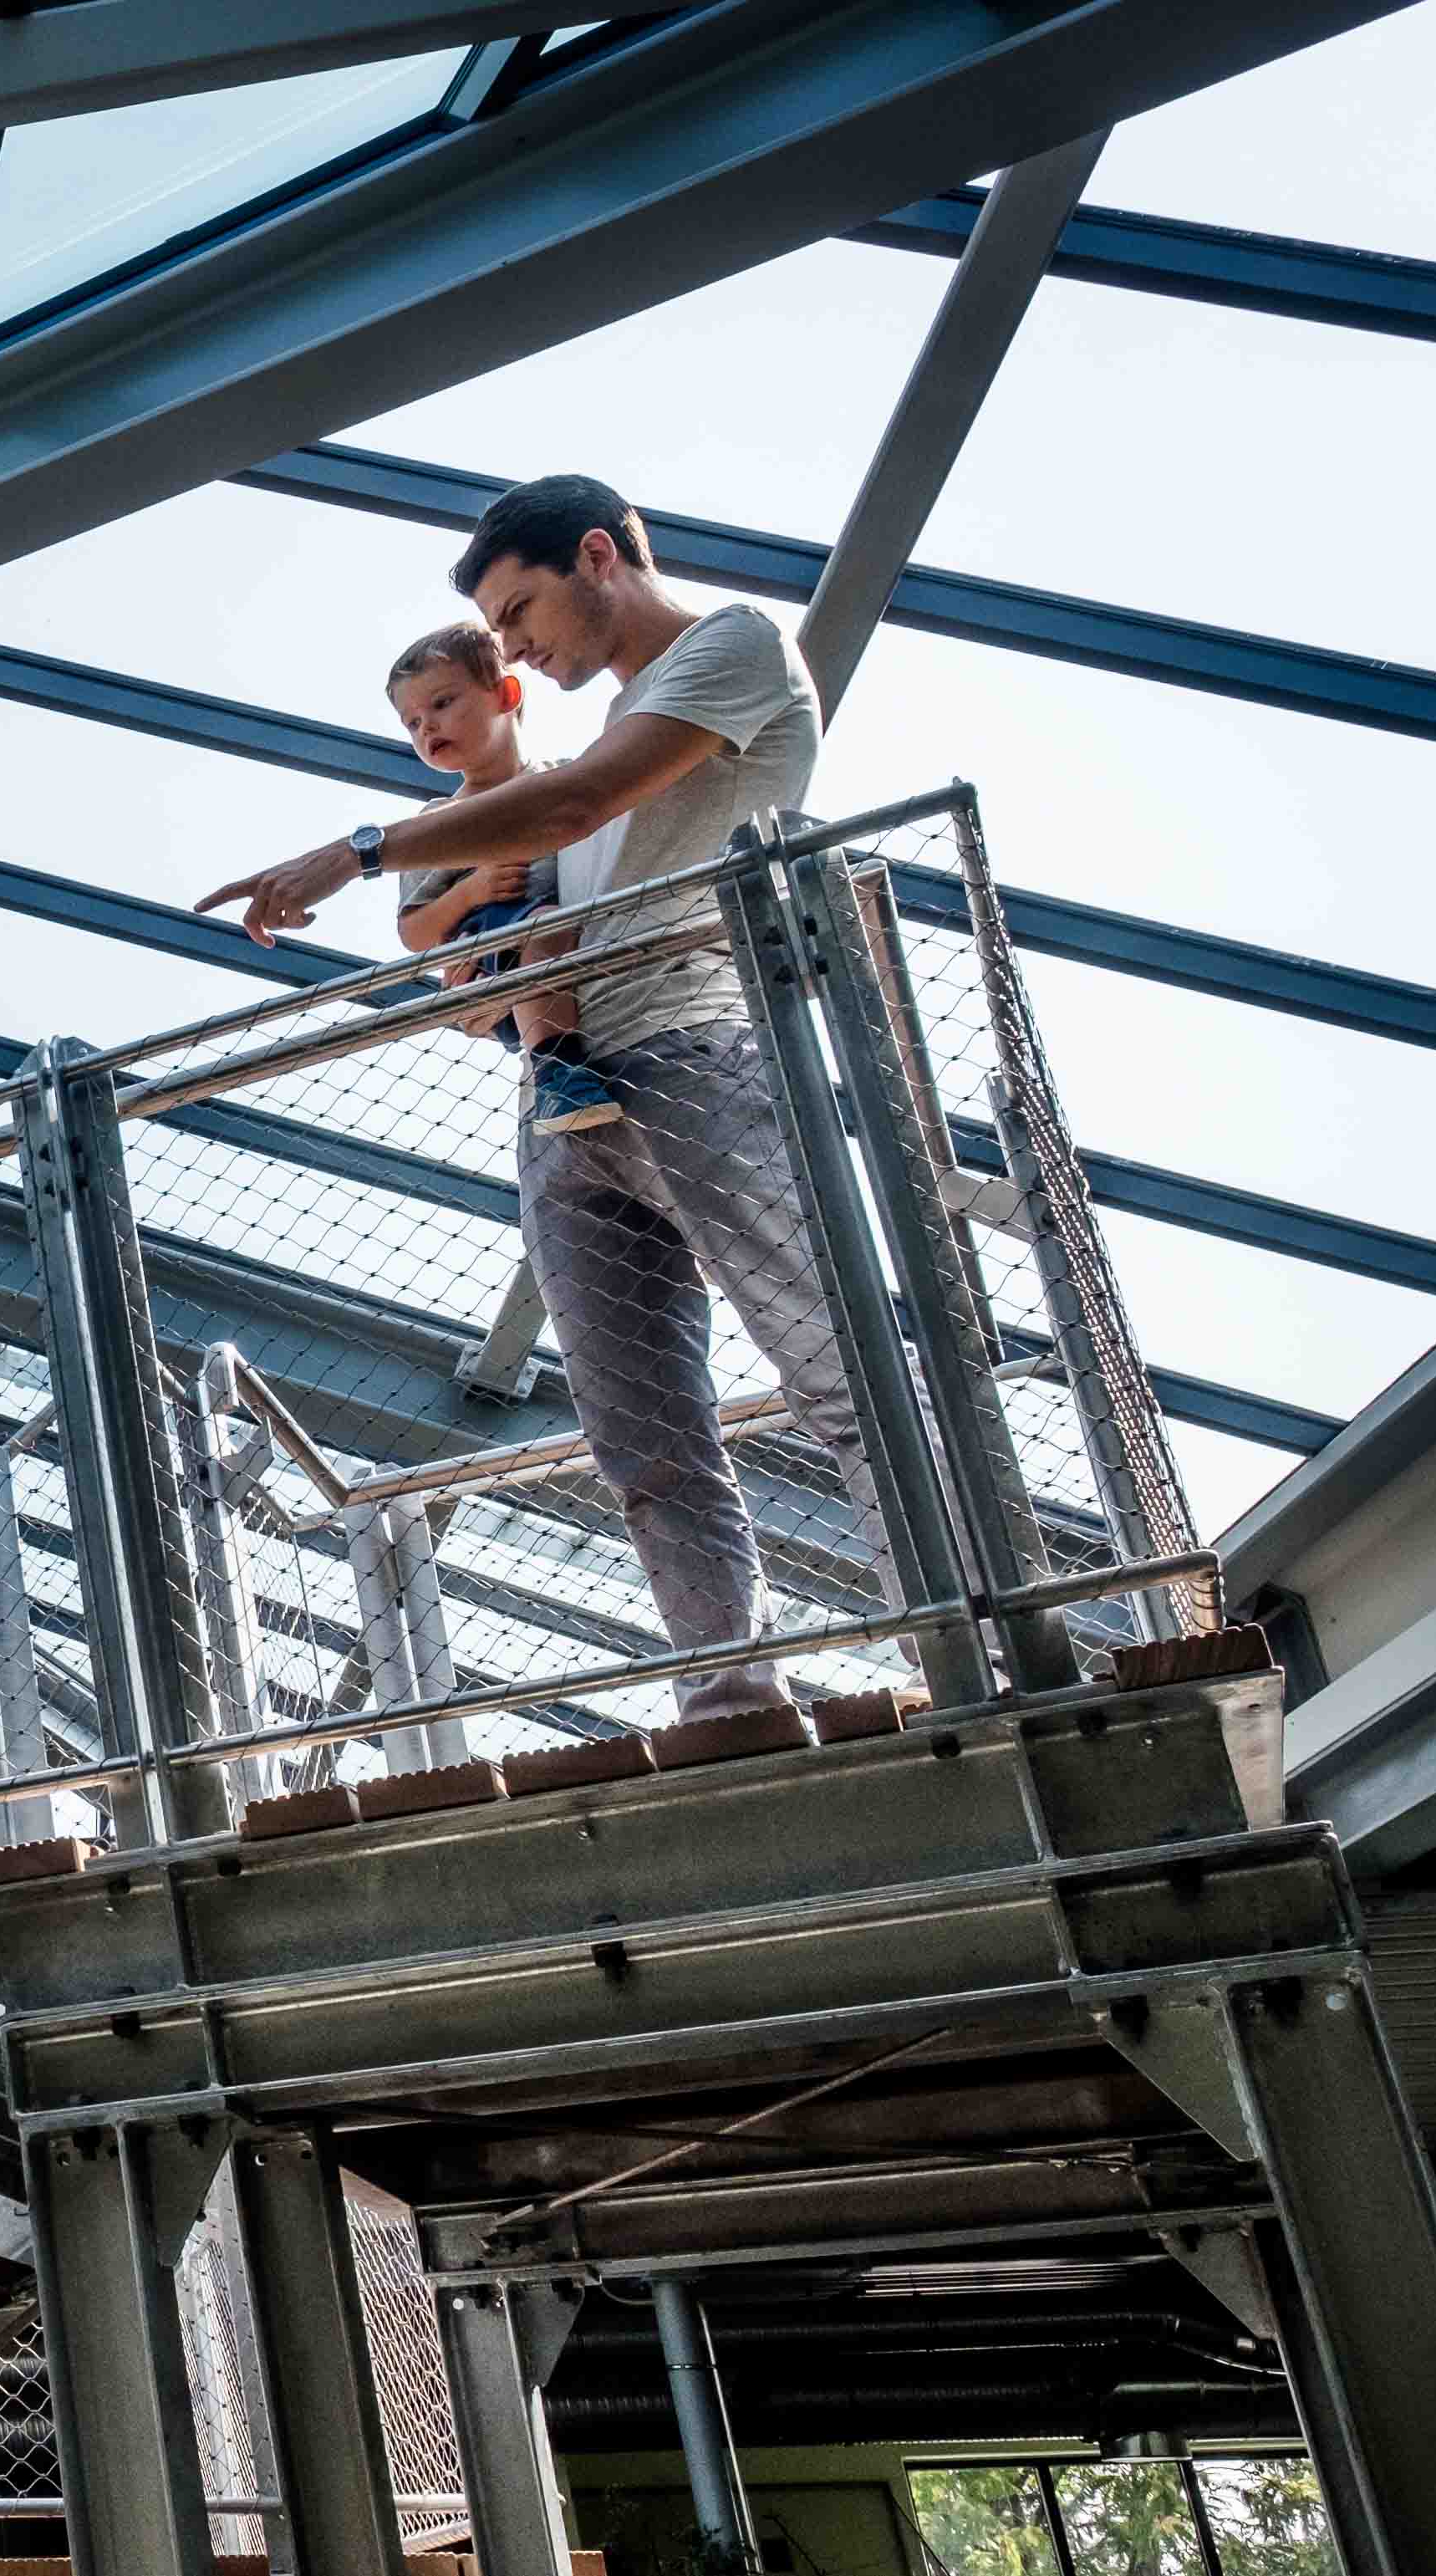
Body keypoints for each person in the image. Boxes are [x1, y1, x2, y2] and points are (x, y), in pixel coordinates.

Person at [195, 473, 879, 1713]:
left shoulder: (728, 650)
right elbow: (486, 949)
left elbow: (573, 801)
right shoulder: (590, 739)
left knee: (835, 1370)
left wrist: (357, 853)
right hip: (562, 1113)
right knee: (644, 1440)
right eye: (498, 630)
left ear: (600, 558)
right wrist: (471, 961)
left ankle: (981, 1634)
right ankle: (729, 1701)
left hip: (692, 1061)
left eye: (518, 613)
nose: (513, 644)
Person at [380, 621, 623, 1135]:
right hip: (494, 955)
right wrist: (472, 890)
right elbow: (413, 933)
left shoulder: (565, 782)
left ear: (506, 694)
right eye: (412, 722)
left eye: (442, 704)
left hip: (570, 951)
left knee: (551, 925)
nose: (427, 728)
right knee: (542, 925)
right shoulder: (436, 822)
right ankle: (558, 1072)